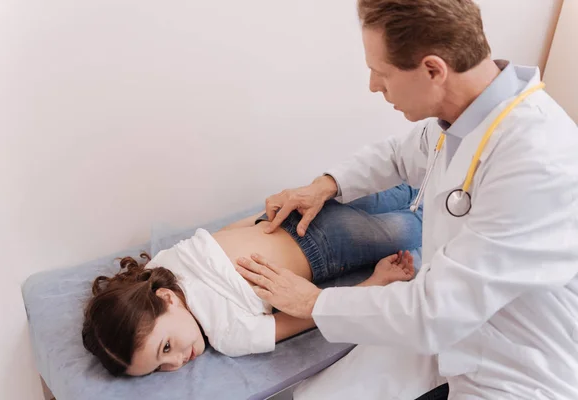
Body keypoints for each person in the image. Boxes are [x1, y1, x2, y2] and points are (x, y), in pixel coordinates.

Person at [235, 0, 578, 399]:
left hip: (514, 361)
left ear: (433, 69)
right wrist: (325, 185)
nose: (373, 86)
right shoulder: (468, 117)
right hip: (443, 328)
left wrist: (313, 302)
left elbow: (437, 311)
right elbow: (399, 155)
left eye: (380, 73)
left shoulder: (540, 161)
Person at [81, 184, 422, 377]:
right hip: (325, 248)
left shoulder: (166, 268)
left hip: (299, 224)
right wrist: (374, 283)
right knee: (409, 224)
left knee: (390, 194)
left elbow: (222, 235)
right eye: (160, 368)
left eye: (166, 348)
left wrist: (268, 216)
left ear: (166, 298)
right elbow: (301, 315)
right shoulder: (225, 332)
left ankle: (448, 178)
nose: (175, 362)